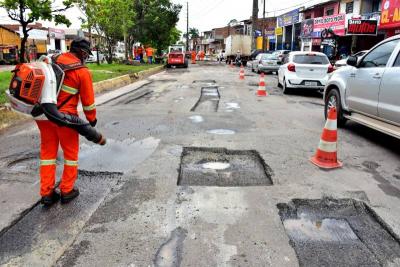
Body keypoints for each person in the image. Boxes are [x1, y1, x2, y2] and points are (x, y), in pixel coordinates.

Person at [36, 37, 97, 206]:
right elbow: (88, 102)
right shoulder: (82, 71)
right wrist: (91, 120)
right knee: (70, 155)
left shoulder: (53, 60)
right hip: (65, 119)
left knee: (48, 154)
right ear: (83, 53)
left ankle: (47, 193)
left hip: (44, 115)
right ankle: (66, 190)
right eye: (86, 54)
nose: (86, 57)